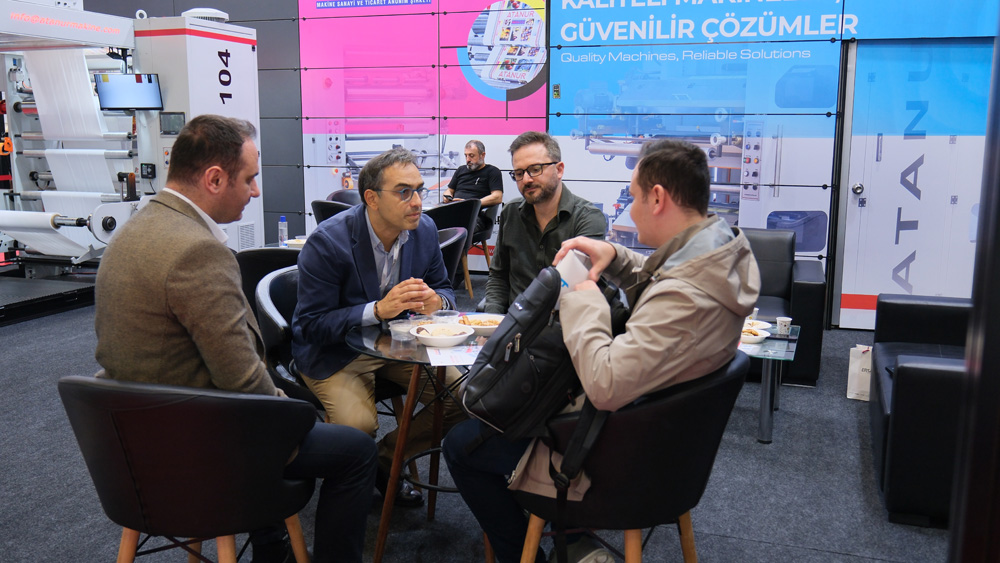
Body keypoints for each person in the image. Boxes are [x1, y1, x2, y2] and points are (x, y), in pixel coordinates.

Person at [444, 139, 761, 563]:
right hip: (665, 435)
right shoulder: (718, 253)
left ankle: (532, 551)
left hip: (616, 447)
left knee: (461, 446)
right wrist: (616, 257)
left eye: (633, 197)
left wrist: (583, 299)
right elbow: (665, 281)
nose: (630, 210)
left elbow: (605, 384)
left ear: (657, 198)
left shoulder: (685, 296)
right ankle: (571, 541)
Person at [93, 115, 376, 563]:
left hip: (133, 441)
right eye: (249, 179)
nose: (256, 191)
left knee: (282, 406)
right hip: (198, 444)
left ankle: (270, 548)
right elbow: (241, 380)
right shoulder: (197, 251)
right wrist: (295, 415)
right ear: (214, 179)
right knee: (356, 450)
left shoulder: (133, 231)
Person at [292, 147, 466, 508]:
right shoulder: (328, 242)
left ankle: (385, 461)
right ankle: (363, 469)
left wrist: (437, 302)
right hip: (336, 352)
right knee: (357, 429)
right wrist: (377, 310)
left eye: (419, 190)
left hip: (398, 344)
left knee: (463, 399)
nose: (417, 202)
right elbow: (310, 326)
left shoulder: (424, 230)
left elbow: (445, 289)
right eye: (404, 192)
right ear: (371, 198)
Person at [483, 131, 607, 314]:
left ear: (559, 170)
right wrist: (492, 321)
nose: (526, 179)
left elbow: (582, 292)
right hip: (515, 324)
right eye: (519, 173)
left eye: (535, 169)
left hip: (564, 325)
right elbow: (499, 277)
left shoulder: (587, 218)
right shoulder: (511, 212)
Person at [442, 139, 504, 234]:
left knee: (457, 227)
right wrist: (447, 196)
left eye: (471, 156)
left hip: (475, 216)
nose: (468, 160)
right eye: (466, 155)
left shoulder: (492, 171)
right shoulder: (461, 170)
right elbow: (449, 190)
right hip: (454, 211)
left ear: (482, 155)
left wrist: (470, 204)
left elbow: (497, 197)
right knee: (432, 222)